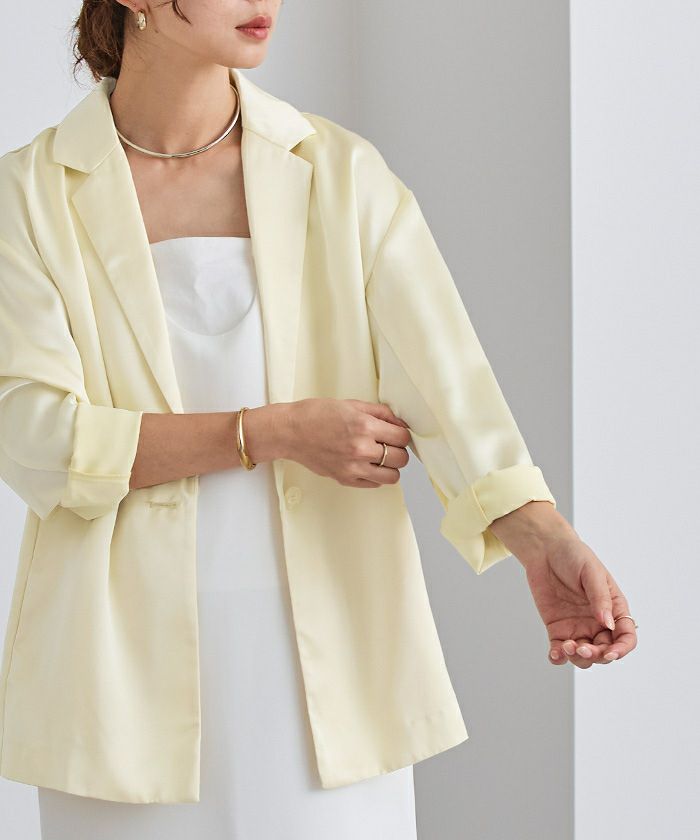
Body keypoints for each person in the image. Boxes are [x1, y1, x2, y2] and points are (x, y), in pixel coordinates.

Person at [0, 2, 638, 838]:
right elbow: (38, 440)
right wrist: (271, 432)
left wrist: (542, 536)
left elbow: (448, 384)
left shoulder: (341, 174)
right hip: (118, 681)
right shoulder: (30, 195)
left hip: (328, 670)